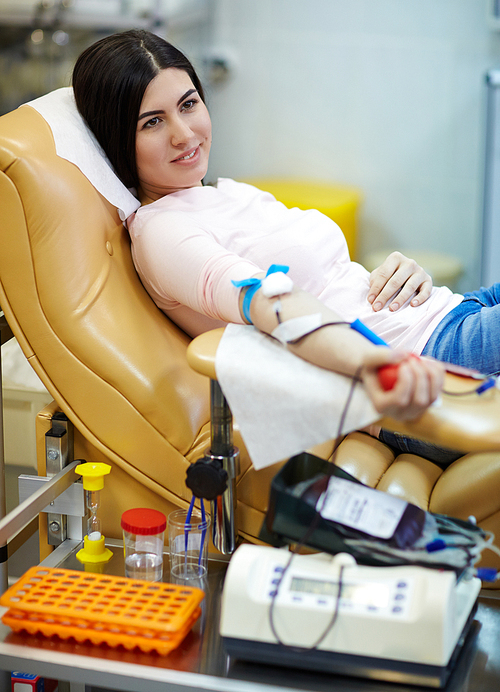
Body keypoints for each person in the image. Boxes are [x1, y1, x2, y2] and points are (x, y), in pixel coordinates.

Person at [71, 30, 497, 459]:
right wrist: (376, 362)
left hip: (448, 313)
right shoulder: (162, 232)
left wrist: (406, 273)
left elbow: (334, 281)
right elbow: (270, 301)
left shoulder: (228, 193)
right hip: (425, 360)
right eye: (153, 122)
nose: (185, 134)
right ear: (117, 138)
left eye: (188, 104)